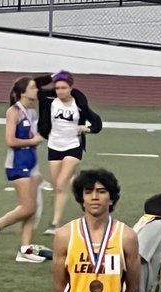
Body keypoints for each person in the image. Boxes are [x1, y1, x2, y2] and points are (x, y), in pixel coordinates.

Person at [0, 77, 45, 263]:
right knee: (27, 207)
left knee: (32, 210)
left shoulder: (32, 112)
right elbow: (10, 141)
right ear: (23, 92)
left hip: (31, 162)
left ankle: (25, 249)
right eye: (32, 87)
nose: (36, 90)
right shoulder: (13, 111)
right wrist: (33, 141)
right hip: (17, 162)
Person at [37, 71, 102, 234]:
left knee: (60, 185)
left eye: (64, 88)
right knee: (57, 185)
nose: (60, 91)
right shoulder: (49, 100)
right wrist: (52, 78)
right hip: (54, 145)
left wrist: (86, 128)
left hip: (73, 145)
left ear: (70, 87)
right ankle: (77, 181)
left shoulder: (78, 101)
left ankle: (54, 223)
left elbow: (96, 123)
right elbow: (34, 85)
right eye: (57, 88)